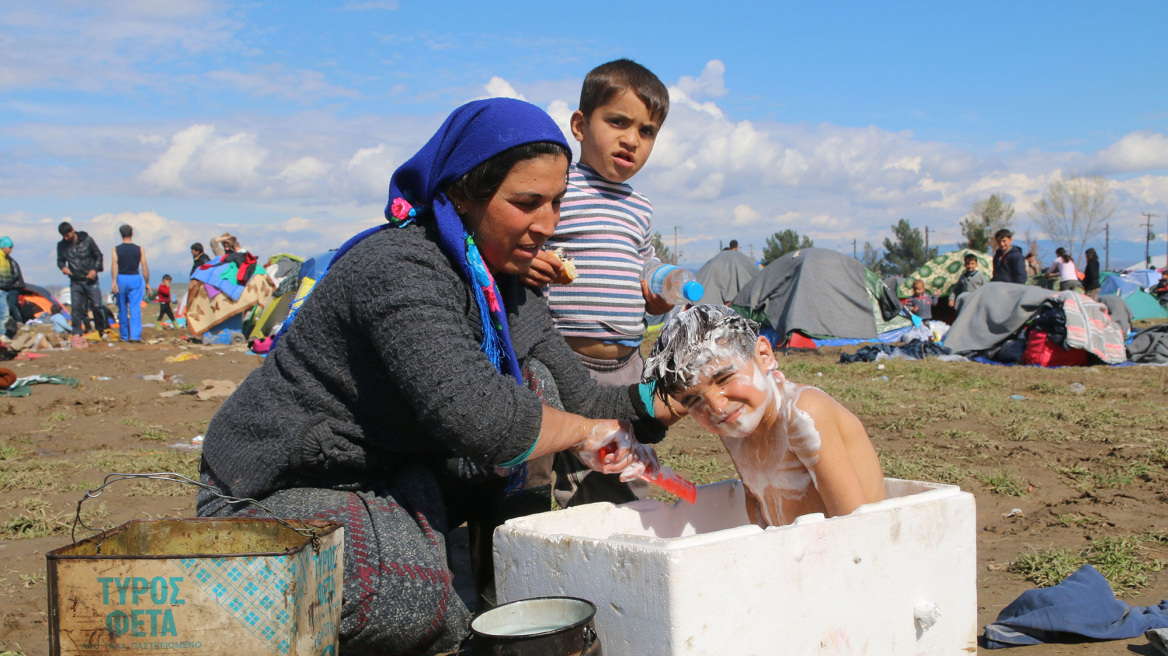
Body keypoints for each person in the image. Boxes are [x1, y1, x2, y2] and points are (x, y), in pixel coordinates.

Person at [196, 98, 679, 655]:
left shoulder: (510, 288)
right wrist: (586, 433)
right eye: (527, 203)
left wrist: (673, 398)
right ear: (460, 195)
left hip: (390, 476)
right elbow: (483, 418)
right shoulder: (400, 269)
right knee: (413, 597)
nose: (548, 225)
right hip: (277, 490)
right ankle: (457, 609)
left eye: (556, 202)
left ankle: (497, 583)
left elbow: (587, 395)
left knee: (536, 388)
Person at [521, 58, 673, 508]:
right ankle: (513, 549)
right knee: (534, 465)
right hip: (557, 360)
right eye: (618, 122)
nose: (632, 139)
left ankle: (616, 556)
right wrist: (531, 261)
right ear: (581, 125)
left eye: (647, 132)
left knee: (617, 468)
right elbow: (523, 240)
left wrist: (657, 292)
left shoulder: (639, 206)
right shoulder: (560, 187)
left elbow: (643, 264)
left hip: (624, 365)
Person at [644, 305, 885, 527]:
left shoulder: (804, 414)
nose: (717, 408)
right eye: (695, 401)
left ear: (764, 355)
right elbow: (756, 502)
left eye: (724, 378)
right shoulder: (735, 427)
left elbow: (854, 527)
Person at [56, 221, 109, 338]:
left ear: (72, 230)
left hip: (91, 280)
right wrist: (63, 267)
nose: (66, 238)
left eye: (67, 235)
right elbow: (60, 260)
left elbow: (98, 255)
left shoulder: (87, 240)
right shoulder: (61, 245)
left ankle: (102, 330)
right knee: (76, 308)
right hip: (75, 281)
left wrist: (95, 269)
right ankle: (77, 333)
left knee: (97, 306)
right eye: (63, 236)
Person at [110, 224, 151, 343]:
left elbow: (114, 265)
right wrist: (147, 282)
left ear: (120, 234)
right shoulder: (140, 249)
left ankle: (124, 336)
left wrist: (113, 281)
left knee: (122, 308)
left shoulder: (115, 249)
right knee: (135, 308)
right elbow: (144, 266)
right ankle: (135, 335)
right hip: (135, 277)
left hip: (121, 278)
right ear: (132, 233)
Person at [0, 236, 24, 338]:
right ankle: (2, 335)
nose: (11, 250)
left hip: (6, 288)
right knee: (5, 312)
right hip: (2, 288)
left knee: (5, 312)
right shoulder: (3, 259)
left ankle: (3, 334)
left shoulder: (7, 259)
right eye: (10, 247)